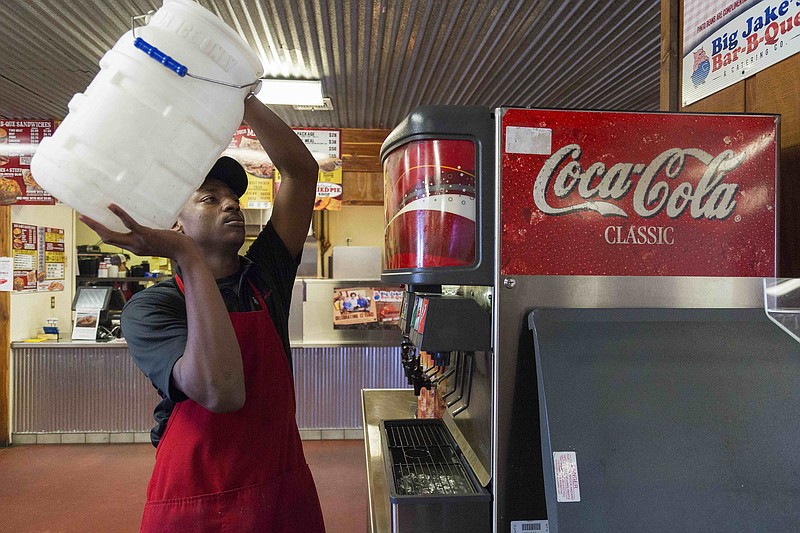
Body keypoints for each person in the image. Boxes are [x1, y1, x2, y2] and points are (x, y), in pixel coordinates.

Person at [80, 93, 326, 532]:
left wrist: (241, 98)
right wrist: (188, 259)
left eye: (232, 196)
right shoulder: (153, 308)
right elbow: (221, 391)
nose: (231, 204)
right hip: (196, 504)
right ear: (173, 225)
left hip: (280, 491)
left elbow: (301, 172)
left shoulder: (264, 276)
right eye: (209, 199)